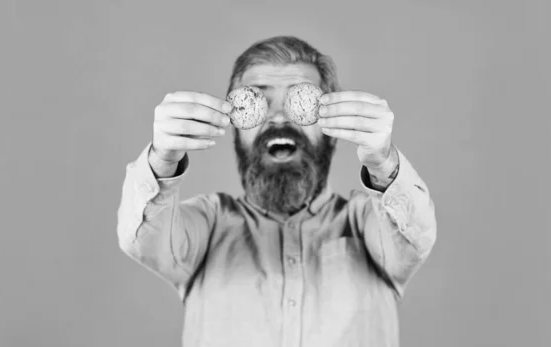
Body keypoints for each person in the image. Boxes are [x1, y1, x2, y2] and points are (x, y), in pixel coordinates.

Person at [116, 35, 437, 347]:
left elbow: (415, 235)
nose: (280, 116)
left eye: (298, 97)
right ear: (235, 127)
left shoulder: (369, 224)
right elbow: (143, 239)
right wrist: (162, 159)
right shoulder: (207, 226)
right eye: (260, 97)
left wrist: (383, 162)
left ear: (333, 129)